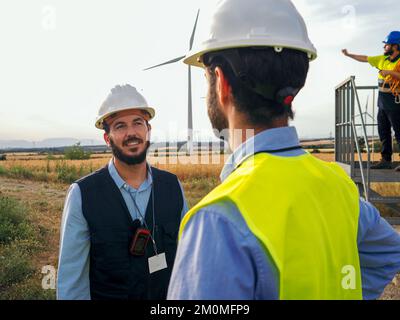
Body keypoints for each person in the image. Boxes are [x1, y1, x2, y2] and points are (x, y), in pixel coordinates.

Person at [167, 0, 400, 300]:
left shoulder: (217, 220)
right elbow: (388, 253)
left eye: (206, 77)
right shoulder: (338, 185)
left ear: (221, 83)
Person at [57, 84, 188, 300]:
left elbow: (188, 262)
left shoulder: (172, 186)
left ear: (148, 130)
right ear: (107, 139)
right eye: (120, 126)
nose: (131, 133)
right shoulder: (83, 194)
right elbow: (72, 281)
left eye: (138, 123)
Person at [343, 31, 400, 171]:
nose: (384, 48)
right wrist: (349, 55)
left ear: (395, 46)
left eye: (386, 45)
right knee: (383, 132)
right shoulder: (383, 59)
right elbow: (365, 58)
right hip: (382, 103)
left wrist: (391, 73)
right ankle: (386, 160)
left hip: (396, 102)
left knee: (399, 133)